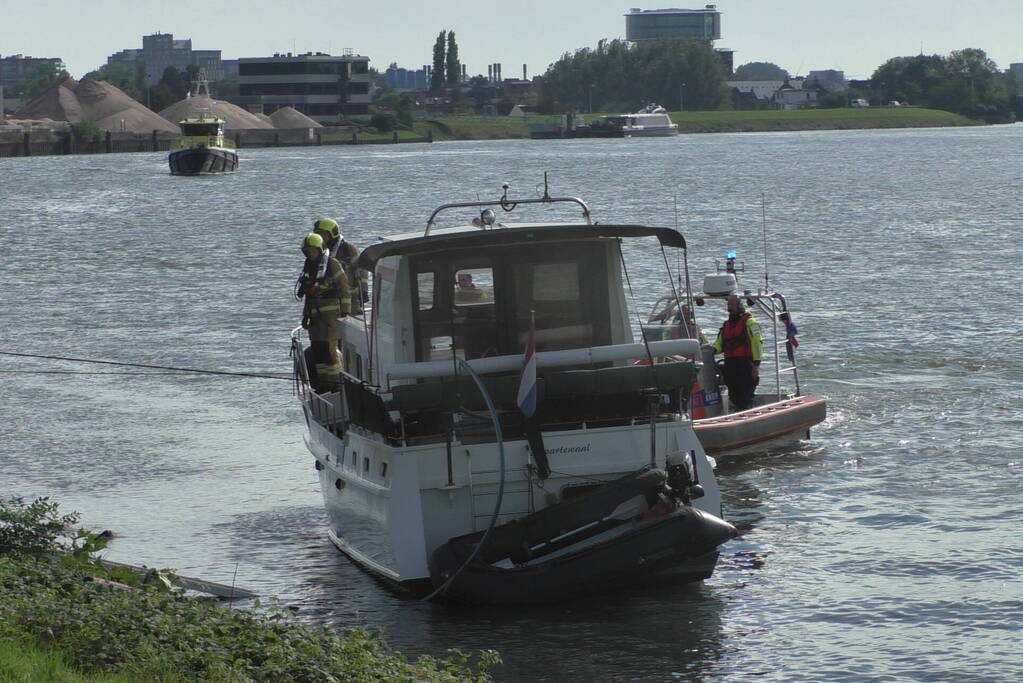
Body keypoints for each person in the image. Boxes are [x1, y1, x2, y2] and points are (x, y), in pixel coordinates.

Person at [297, 232, 350, 393]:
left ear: (319, 249)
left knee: (329, 351)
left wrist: (345, 313)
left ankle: (336, 384)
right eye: (308, 252)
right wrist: (305, 316)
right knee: (318, 350)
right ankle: (323, 384)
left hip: (330, 318)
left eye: (313, 250)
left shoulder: (332, 264)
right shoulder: (308, 268)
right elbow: (308, 295)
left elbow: (344, 288)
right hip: (314, 318)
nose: (310, 254)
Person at [712, 294, 763, 411]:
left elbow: (757, 344)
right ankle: (738, 410)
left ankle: (746, 413)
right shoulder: (726, 325)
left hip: (745, 364)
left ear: (740, 305)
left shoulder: (750, 323)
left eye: (732, 304)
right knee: (734, 395)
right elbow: (719, 345)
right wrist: (709, 351)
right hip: (730, 365)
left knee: (745, 395)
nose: (730, 307)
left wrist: (756, 365)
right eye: (729, 304)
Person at [313, 217, 368, 315]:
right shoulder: (320, 253)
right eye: (318, 235)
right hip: (330, 304)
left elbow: (362, 269)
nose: (321, 238)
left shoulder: (348, 249)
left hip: (351, 302)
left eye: (323, 234)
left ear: (332, 234)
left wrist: (363, 291)